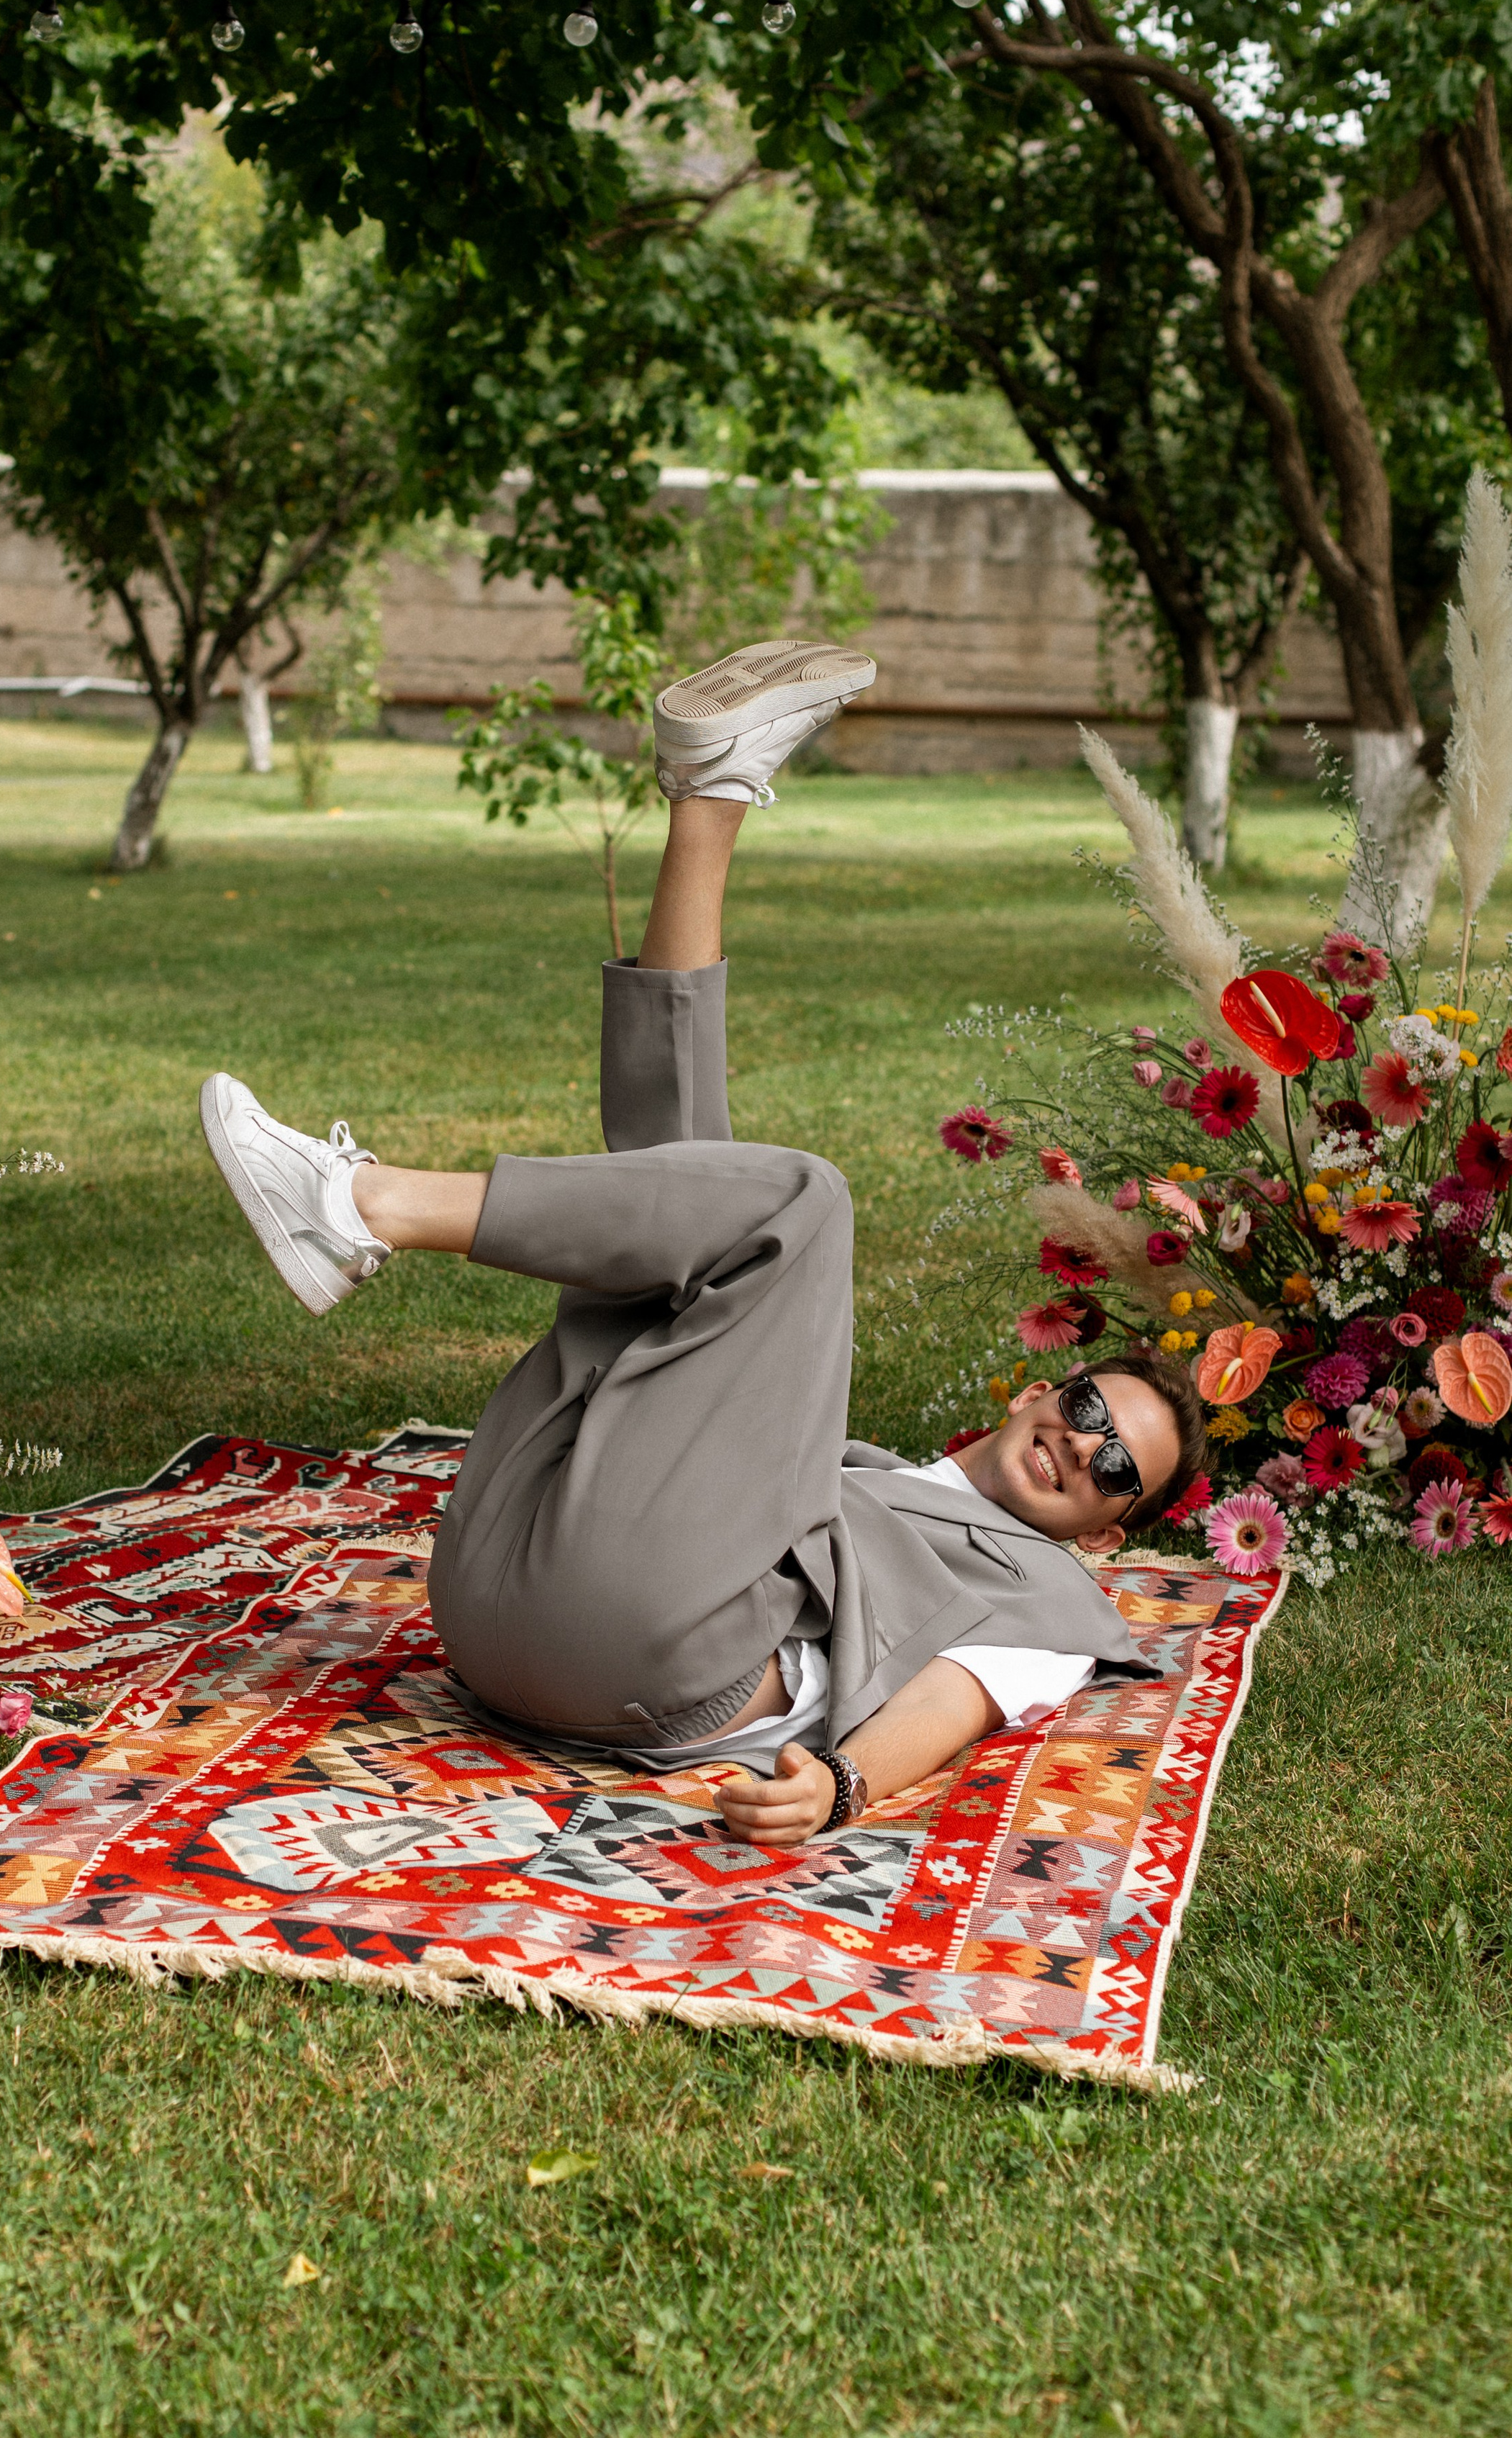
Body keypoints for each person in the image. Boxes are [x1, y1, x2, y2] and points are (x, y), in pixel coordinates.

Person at [199, 637, 1209, 1848]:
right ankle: (709, 799)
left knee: (803, 1209)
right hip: (497, 1586)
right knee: (667, 1225)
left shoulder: (1052, 1601)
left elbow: (954, 1702)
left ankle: (365, 1205)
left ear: (1106, 1530)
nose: (1083, 1451)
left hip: (652, 1661)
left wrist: (844, 1785)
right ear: (1044, 1390)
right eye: (1093, 1414)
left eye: (1116, 1474)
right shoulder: (863, 1469)